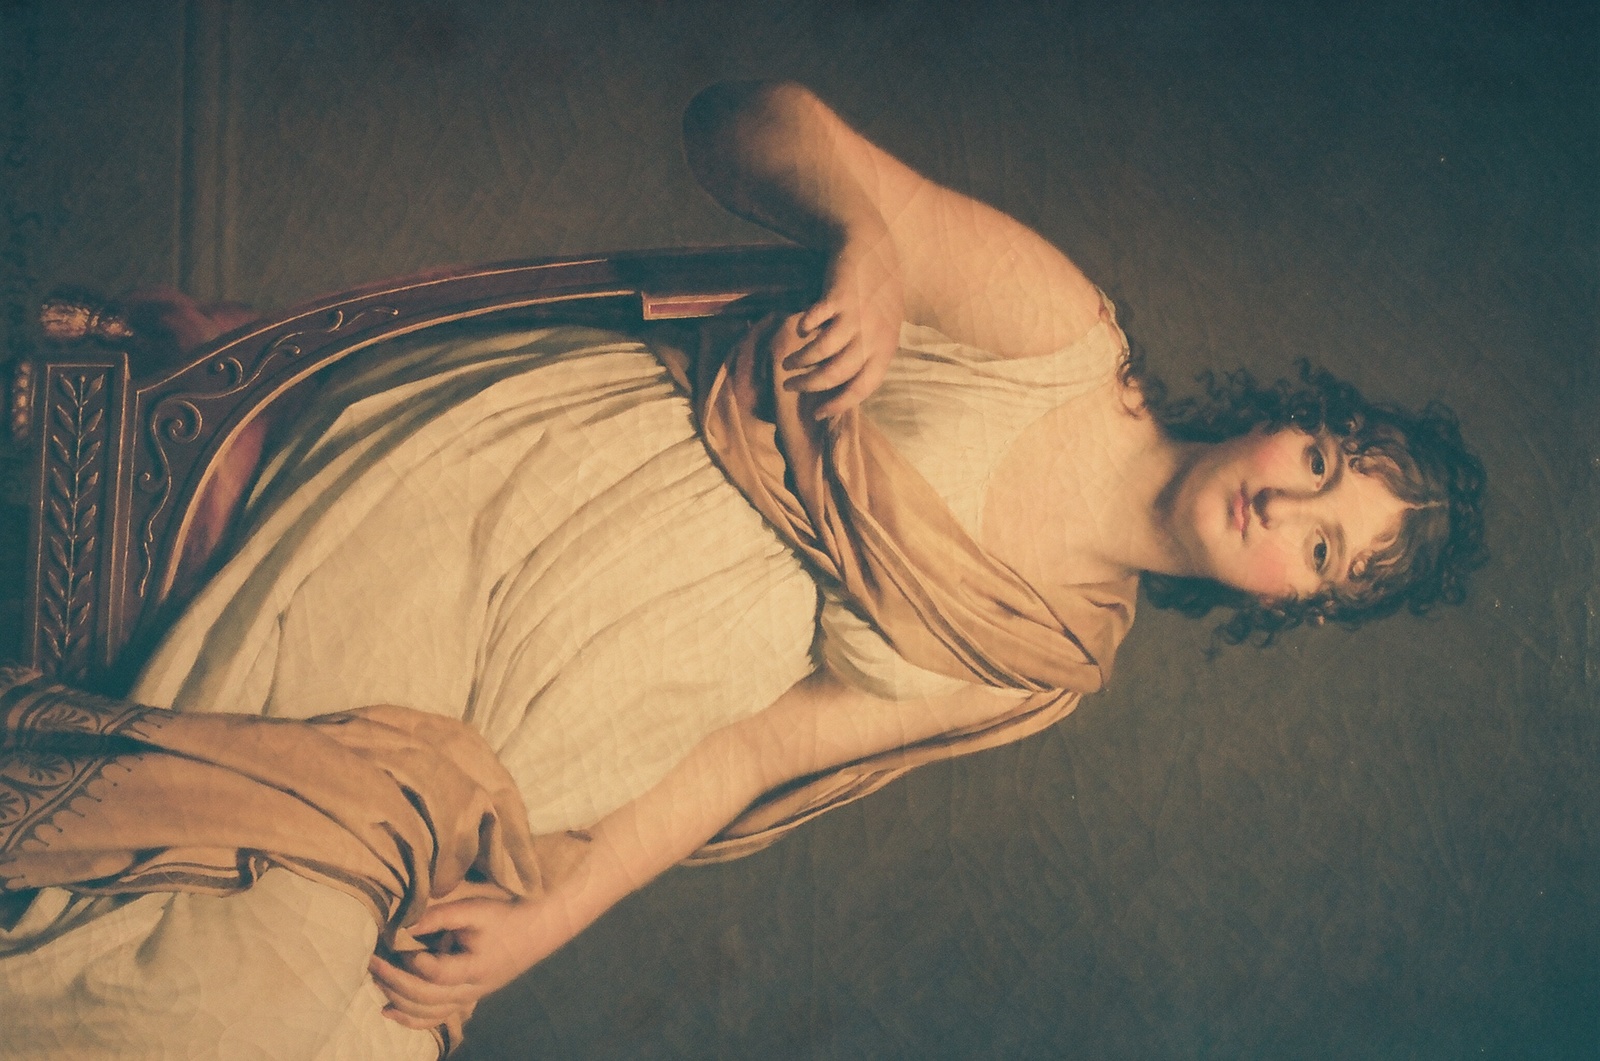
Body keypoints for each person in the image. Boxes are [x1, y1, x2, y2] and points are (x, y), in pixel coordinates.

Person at [0, 81, 1486, 1059]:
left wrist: (545, 925)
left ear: (1293, 602)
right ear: (1295, 415)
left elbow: (758, 743)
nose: (1295, 504)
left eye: (1329, 548)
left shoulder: (1052, 661)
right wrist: (867, 240)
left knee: (359, 1023)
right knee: (228, 981)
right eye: (1327, 459)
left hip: (581, 736)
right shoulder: (1059, 340)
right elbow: (747, 121)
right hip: (531, 510)